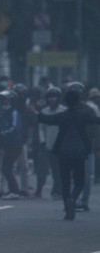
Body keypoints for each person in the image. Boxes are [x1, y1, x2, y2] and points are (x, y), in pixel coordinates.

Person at [37, 82, 100, 220]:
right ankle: (73, 198)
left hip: (62, 153)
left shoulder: (62, 115)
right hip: (79, 152)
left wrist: (36, 110)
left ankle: (67, 208)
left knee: (65, 182)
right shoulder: (85, 114)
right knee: (79, 182)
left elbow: (45, 118)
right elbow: (96, 120)